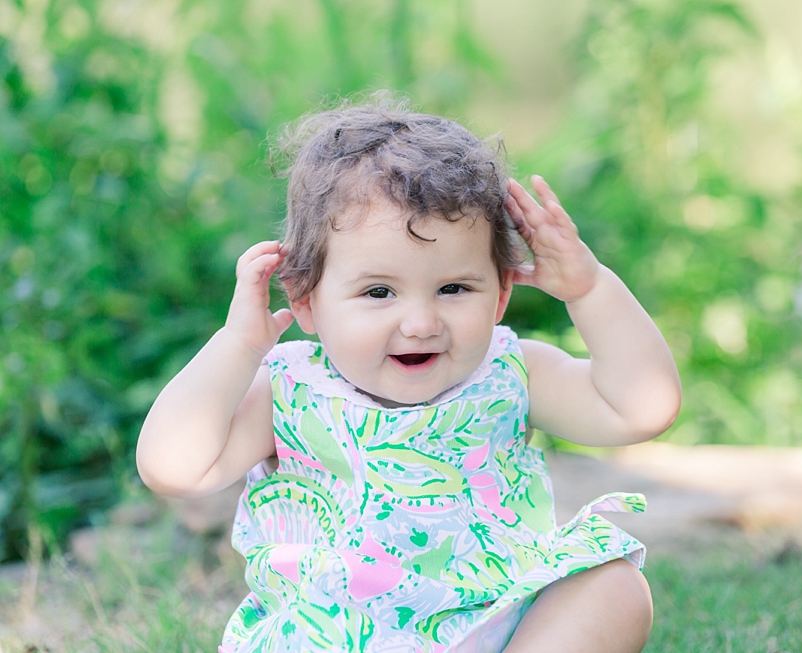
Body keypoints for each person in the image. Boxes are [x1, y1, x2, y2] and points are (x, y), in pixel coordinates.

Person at [136, 96, 682, 653]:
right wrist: (238, 345)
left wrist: (589, 290)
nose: (421, 323)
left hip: (492, 626)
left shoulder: (511, 372)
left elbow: (641, 407)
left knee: (614, 586)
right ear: (305, 299)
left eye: (453, 289)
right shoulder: (290, 391)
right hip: (337, 636)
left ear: (500, 294)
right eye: (379, 292)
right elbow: (173, 469)